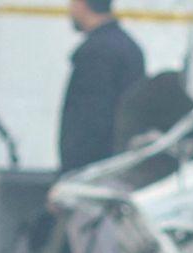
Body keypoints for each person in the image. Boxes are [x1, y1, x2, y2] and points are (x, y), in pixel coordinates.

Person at [60, 0, 145, 174]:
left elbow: (87, 122)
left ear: (81, 4)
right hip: (120, 168)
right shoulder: (129, 47)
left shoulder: (95, 53)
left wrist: (72, 175)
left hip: (92, 173)